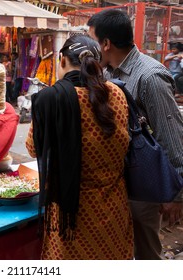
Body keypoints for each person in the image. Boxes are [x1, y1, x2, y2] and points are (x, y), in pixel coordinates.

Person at [26, 34, 133, 260]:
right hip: (114, 209)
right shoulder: (116, 93)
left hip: (72, 215)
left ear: (62, 60)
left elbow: (33, 148)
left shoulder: (51, 99)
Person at [87, 8, 183, 260]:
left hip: (146, 184)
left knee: (145, 252)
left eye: (93, 40)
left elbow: (172, 136)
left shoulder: (150, 76)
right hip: (119, 181)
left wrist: (176, 195)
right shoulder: (107, 73)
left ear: (106, 43)